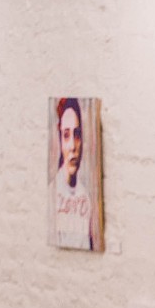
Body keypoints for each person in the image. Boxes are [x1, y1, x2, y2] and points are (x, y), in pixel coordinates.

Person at [50, 98, 97, 250]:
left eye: (77, 135)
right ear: (60, 141)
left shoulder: (85, 198)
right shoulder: (52, 194)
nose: (72, 146)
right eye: (66, 135)